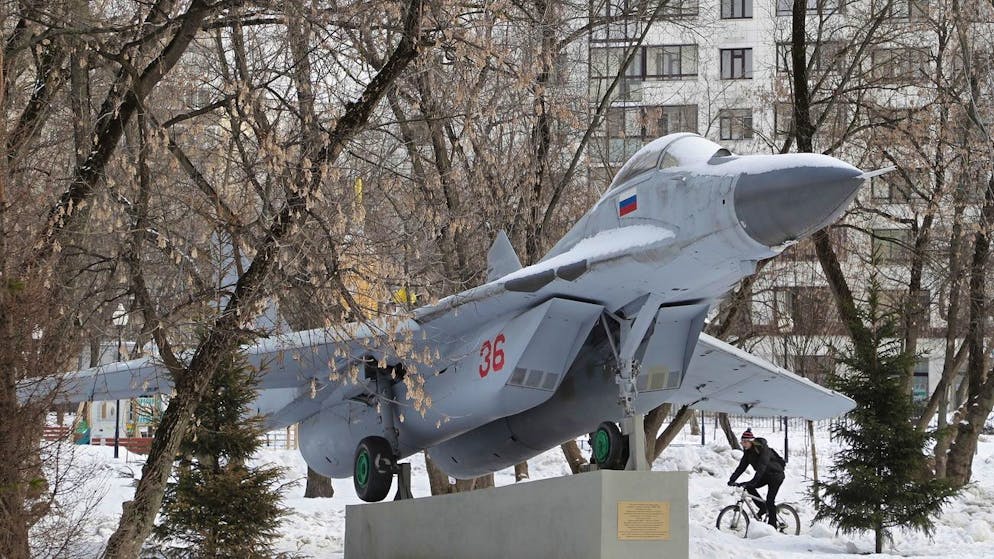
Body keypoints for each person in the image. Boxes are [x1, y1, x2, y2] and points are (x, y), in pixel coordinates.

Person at [727, 428, 785, 527]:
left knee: (770, 500)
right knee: (749, 487)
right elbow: (741, 467)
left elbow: (762, 466)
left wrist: (754, 480)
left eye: (745, 442)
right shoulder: (748, 452)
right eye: (742, 441)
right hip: (765, 475)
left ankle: (773, 526)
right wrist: (732, 479)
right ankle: (762, 508)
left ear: (751, 442)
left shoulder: (763, 449)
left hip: (776, 476)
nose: (743, 444)